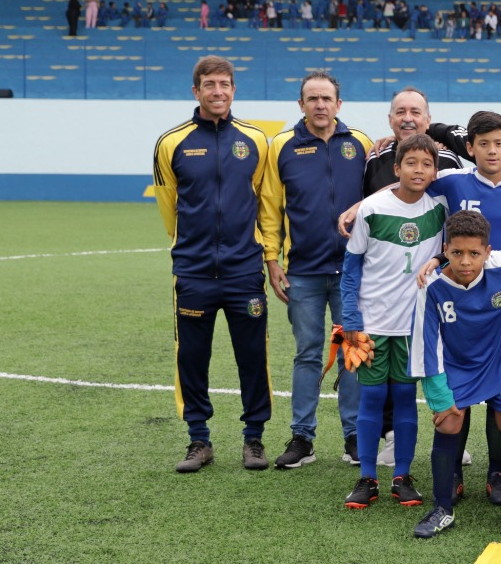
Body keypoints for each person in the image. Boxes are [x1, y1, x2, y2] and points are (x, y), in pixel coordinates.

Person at [151, 56, 276, 474]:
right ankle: (198, 440)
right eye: (209, 84)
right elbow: (171, 208)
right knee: (191, 357)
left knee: (252, 356)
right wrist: (190, 246)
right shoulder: (171, 143)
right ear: (196, 91)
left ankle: (254, 439)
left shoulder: (256, 140)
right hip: (194, 271)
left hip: (244, 270)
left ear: (233, 90)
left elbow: (264, 202)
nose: (217, 91)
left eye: (224, 83)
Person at [262, 71, 373, 471]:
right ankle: (302, 438)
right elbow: (270, 207)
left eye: (327, 98)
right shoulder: (283, 147)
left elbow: (377, 195)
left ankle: (354, 436)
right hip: (302, 272)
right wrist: (272, 260)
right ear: (301, 105)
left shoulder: (360, 143)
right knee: (308, 354)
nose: (320, 105)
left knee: (353, 353)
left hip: (351, 270)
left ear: (339, 104)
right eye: (312, 98)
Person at [408, 211, 501, 538]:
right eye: (456, 253)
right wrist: (439, 398)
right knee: (451, 420)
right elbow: (426, 343)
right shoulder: (433, 285)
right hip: (458, 364)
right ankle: (442, 508)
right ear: (445, 250)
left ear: (488, 251)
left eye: (474, 254)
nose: (465, 262)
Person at [338, 133, 448, 510]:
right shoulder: (371, 209)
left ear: (435, 171)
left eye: (427, 164)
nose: (419, 170)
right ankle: (367, 477)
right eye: (411, 163)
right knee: (370, 399)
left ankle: (402, 475)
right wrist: (350, 318)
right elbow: (351, 270)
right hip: (371, 326)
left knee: (404, 398)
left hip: (413, 327)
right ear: (396, 168)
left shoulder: (438, 211)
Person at [426, 110, 501, 501]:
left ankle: (497, 472)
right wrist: (361, 205)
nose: (491, 151)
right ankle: (452, 472)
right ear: (469, 148)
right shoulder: (452, 181)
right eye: (482, 144)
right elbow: (410, 183)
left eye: (499, 144)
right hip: (458, 299)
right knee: (460, 384)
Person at [365, 88, 464, 195]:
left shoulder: (448, 160)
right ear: (390, 120)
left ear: (428, 121)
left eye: (415, 112)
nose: (407, 119)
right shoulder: (375, 160)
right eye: (400, 112)